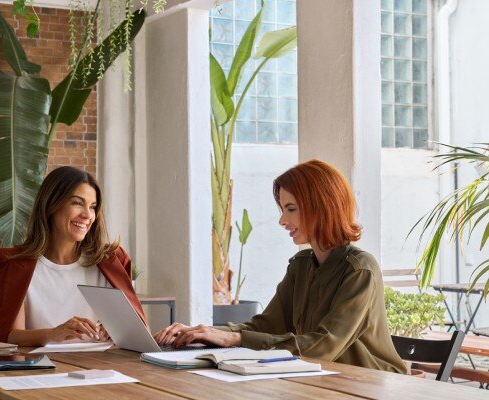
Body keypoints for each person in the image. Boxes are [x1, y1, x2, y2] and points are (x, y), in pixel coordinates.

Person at [155, 159, 406, 374]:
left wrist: (234, 338)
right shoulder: (301, 265)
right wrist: (205, 332)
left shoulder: (359, 269)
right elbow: (265, 326)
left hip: (372, 385)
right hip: (321, 381)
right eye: (283, 209)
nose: (282, 220)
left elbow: (323, 346)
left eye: (291, 209)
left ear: (322, 207)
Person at [0, 166, 146, 346]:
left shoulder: (112, 260)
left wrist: (118, 332)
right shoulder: (15, 264)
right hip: (42, 369)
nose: (87, 215)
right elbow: (10, 336)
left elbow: (138, 335)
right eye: (77, 203)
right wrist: (54, 334)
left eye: (93, 207)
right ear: (51, 204)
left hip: (106, 370)